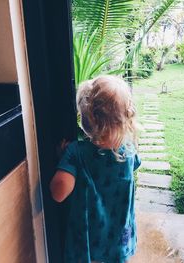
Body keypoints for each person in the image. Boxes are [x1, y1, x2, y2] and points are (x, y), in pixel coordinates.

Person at [50, 75, 141, 263]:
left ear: (85, 119)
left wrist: (63, 162)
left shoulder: (76, 153)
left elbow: (58, 193)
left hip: (88, 239)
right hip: (118, 237)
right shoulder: (129, 152)